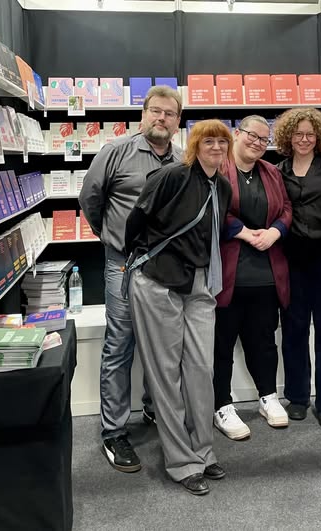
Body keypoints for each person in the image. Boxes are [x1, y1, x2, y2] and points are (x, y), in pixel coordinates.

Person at [124, 120, 233, 495]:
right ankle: (181, 462)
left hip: (199, 283)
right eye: (209, 140)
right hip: (159, 280)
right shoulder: (171, 176)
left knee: (201, 369)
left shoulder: (222, 186)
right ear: (195, 144)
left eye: (222, 141)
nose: (216, 147)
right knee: (165, 374)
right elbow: (136, 223)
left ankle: (203, 451)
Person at [79, 85, 183, 473]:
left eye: (169, 113)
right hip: (123, 264)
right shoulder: (116, 152)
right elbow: (90, 199)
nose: (161, 118)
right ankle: (114, 432)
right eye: (155, 111)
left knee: (163, 342)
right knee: (120, 344)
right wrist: (111, 235)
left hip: (166, 266)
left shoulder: (182, 159)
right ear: (143, 114)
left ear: (177, 121)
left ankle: (155, 410)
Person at [213, 115, 292, 440]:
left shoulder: (271, 172)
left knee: (263, 342)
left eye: (263, 139)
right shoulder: (217, 167)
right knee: (220, 345)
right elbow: (214, 209)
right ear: (237, 133)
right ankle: (221, 404)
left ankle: (268, 397)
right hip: (227, 275)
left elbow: (286, 208)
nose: (257, 143)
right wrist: (245, 233)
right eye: (252, 135)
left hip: (265, 273)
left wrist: (275, 232)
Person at [274, 108, 321, 428]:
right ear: (288, 136)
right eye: (298, 134)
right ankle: (297, 397)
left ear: (318, 136)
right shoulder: (278, 170)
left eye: (310, 134)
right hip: (291, 258)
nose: (304, 139)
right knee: (293, 329)